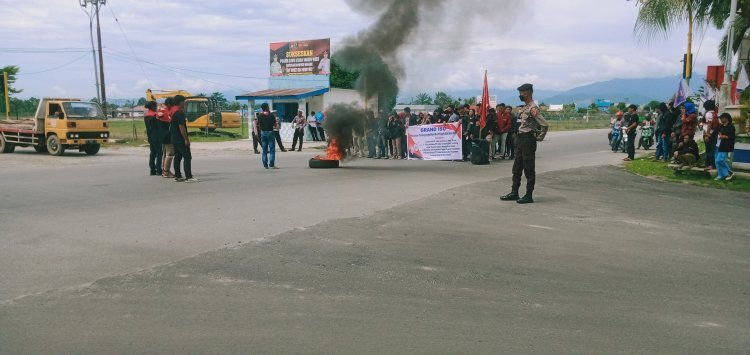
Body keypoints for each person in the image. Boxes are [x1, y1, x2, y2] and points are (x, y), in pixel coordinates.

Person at [500, 83, 548, 204]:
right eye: (520, 93)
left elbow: (544, 124)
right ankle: (514, 192)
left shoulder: (533, 108)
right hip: (521, 139)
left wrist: (540, 137)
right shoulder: (525, 107)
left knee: (528, 168)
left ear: (528, 93)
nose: (520, 95)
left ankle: (528, 195)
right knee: (516, 168)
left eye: (522, 93)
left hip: (528, 140)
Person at [170, 95, 197, 182]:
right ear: (180, 102)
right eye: (184, 102)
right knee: (187, 156)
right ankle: (188, 177)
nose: (185, 104)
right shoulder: (179, 113)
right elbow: (181, 127)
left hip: (174, 138)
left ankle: (178, 176)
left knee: (177, 157)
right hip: (180, 138)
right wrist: (186, 139)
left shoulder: (173, 112)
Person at [157, 98, 175, 178]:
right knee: (170, 153)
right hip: (167, 135)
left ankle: (164, 170)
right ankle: (166, 172)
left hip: (161, 135)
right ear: (169, 105)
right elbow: (170, 123)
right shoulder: (166, 112)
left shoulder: (160, 109)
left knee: (165, 153)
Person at [715, 113, 736, 181]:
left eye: (722, 118)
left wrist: (723, 136)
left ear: (726, 118)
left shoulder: (731, 127)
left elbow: (731, 137)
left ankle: (729, 172)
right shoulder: (721, 126)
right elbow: (716, 132)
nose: (720, 119)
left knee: (720, 160)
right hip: (718, 145)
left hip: (725, 146)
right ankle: (721, 175)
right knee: (717, 161)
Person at [143, 101, 162, 176]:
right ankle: (159, 170)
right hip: (156, 136)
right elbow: (159, 127)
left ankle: (152, 170)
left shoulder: (146, 116)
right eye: (156, 106)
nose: (157, 108)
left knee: (153, 153)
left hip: (150, 136)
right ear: (153, 107)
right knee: (159, 153)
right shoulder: (155, 116)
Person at [258, 103, 278, 169]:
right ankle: (271, 164)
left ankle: (265, 164)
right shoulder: (271, 115)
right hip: (270, 132)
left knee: (264, 149)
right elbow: (275, 125)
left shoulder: (260, 116)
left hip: (263, 132)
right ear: (267, 107)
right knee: (272, 149)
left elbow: (260, 126)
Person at [702, 100, 719, 170]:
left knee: (709, 150)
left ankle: (710, 165)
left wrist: (707, 134)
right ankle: (711, 164)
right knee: (712, 149)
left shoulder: (708, 114)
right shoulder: (715, 113)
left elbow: (709, 124)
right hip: (714, 133)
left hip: (709, 133)